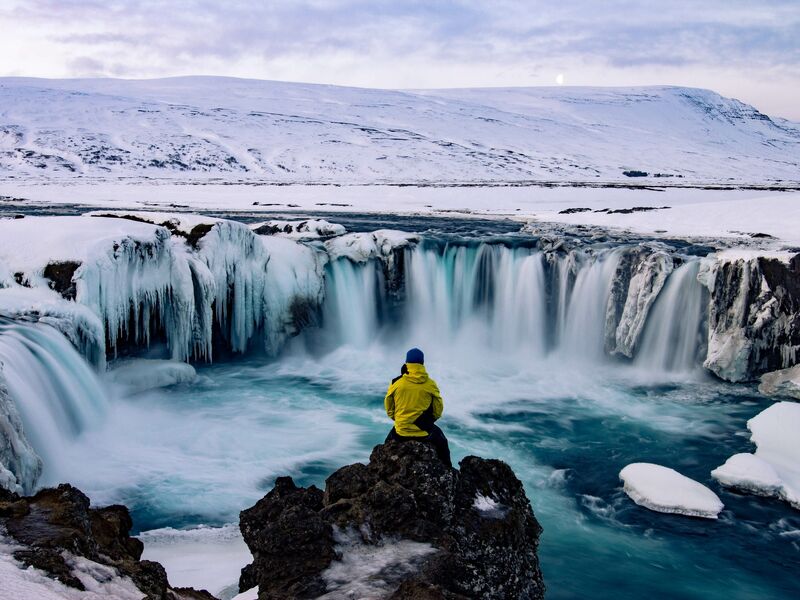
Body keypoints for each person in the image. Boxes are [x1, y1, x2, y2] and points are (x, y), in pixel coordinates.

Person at [384, 347, 452, 468]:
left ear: (406, 363)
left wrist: (398, 418)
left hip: (401, 432)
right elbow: (438, 409)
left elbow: (389, 405)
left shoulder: (396, 382)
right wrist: (429, 421)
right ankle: (448, 470)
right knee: (442, 442)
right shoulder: (430, 384)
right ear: (422, 363)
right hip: (424, 433)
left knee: (385, 447)